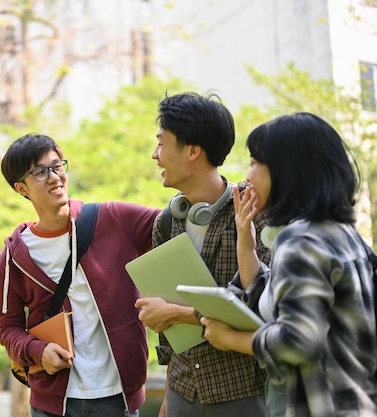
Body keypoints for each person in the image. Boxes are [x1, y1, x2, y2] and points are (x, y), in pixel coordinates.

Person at [201, 112, 377, 417]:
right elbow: (282, 301)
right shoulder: (341, 234)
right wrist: (246, 241)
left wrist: (229, 339)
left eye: (255, 163)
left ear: (287, 171)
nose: (248, 176)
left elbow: (299, 340)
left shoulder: (300, 240)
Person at [0, 133, 160, 417]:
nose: (55, 177)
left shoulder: (113, 219)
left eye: (58, 166)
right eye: (40, 172)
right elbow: (6, 327)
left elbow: (174, 223)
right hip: (52, 402)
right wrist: (37, 350)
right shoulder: (14, 255)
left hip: (118, 396)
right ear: (22, 188)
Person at [134, 92, 271, 417]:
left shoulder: (255, 213)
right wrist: (169, 394)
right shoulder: (165, 223)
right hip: (183, 392)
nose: (155, 155)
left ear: (193, 150)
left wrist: (177, 312)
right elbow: (169, 335)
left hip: (244, 391)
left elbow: (262, 307)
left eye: (161, 143)